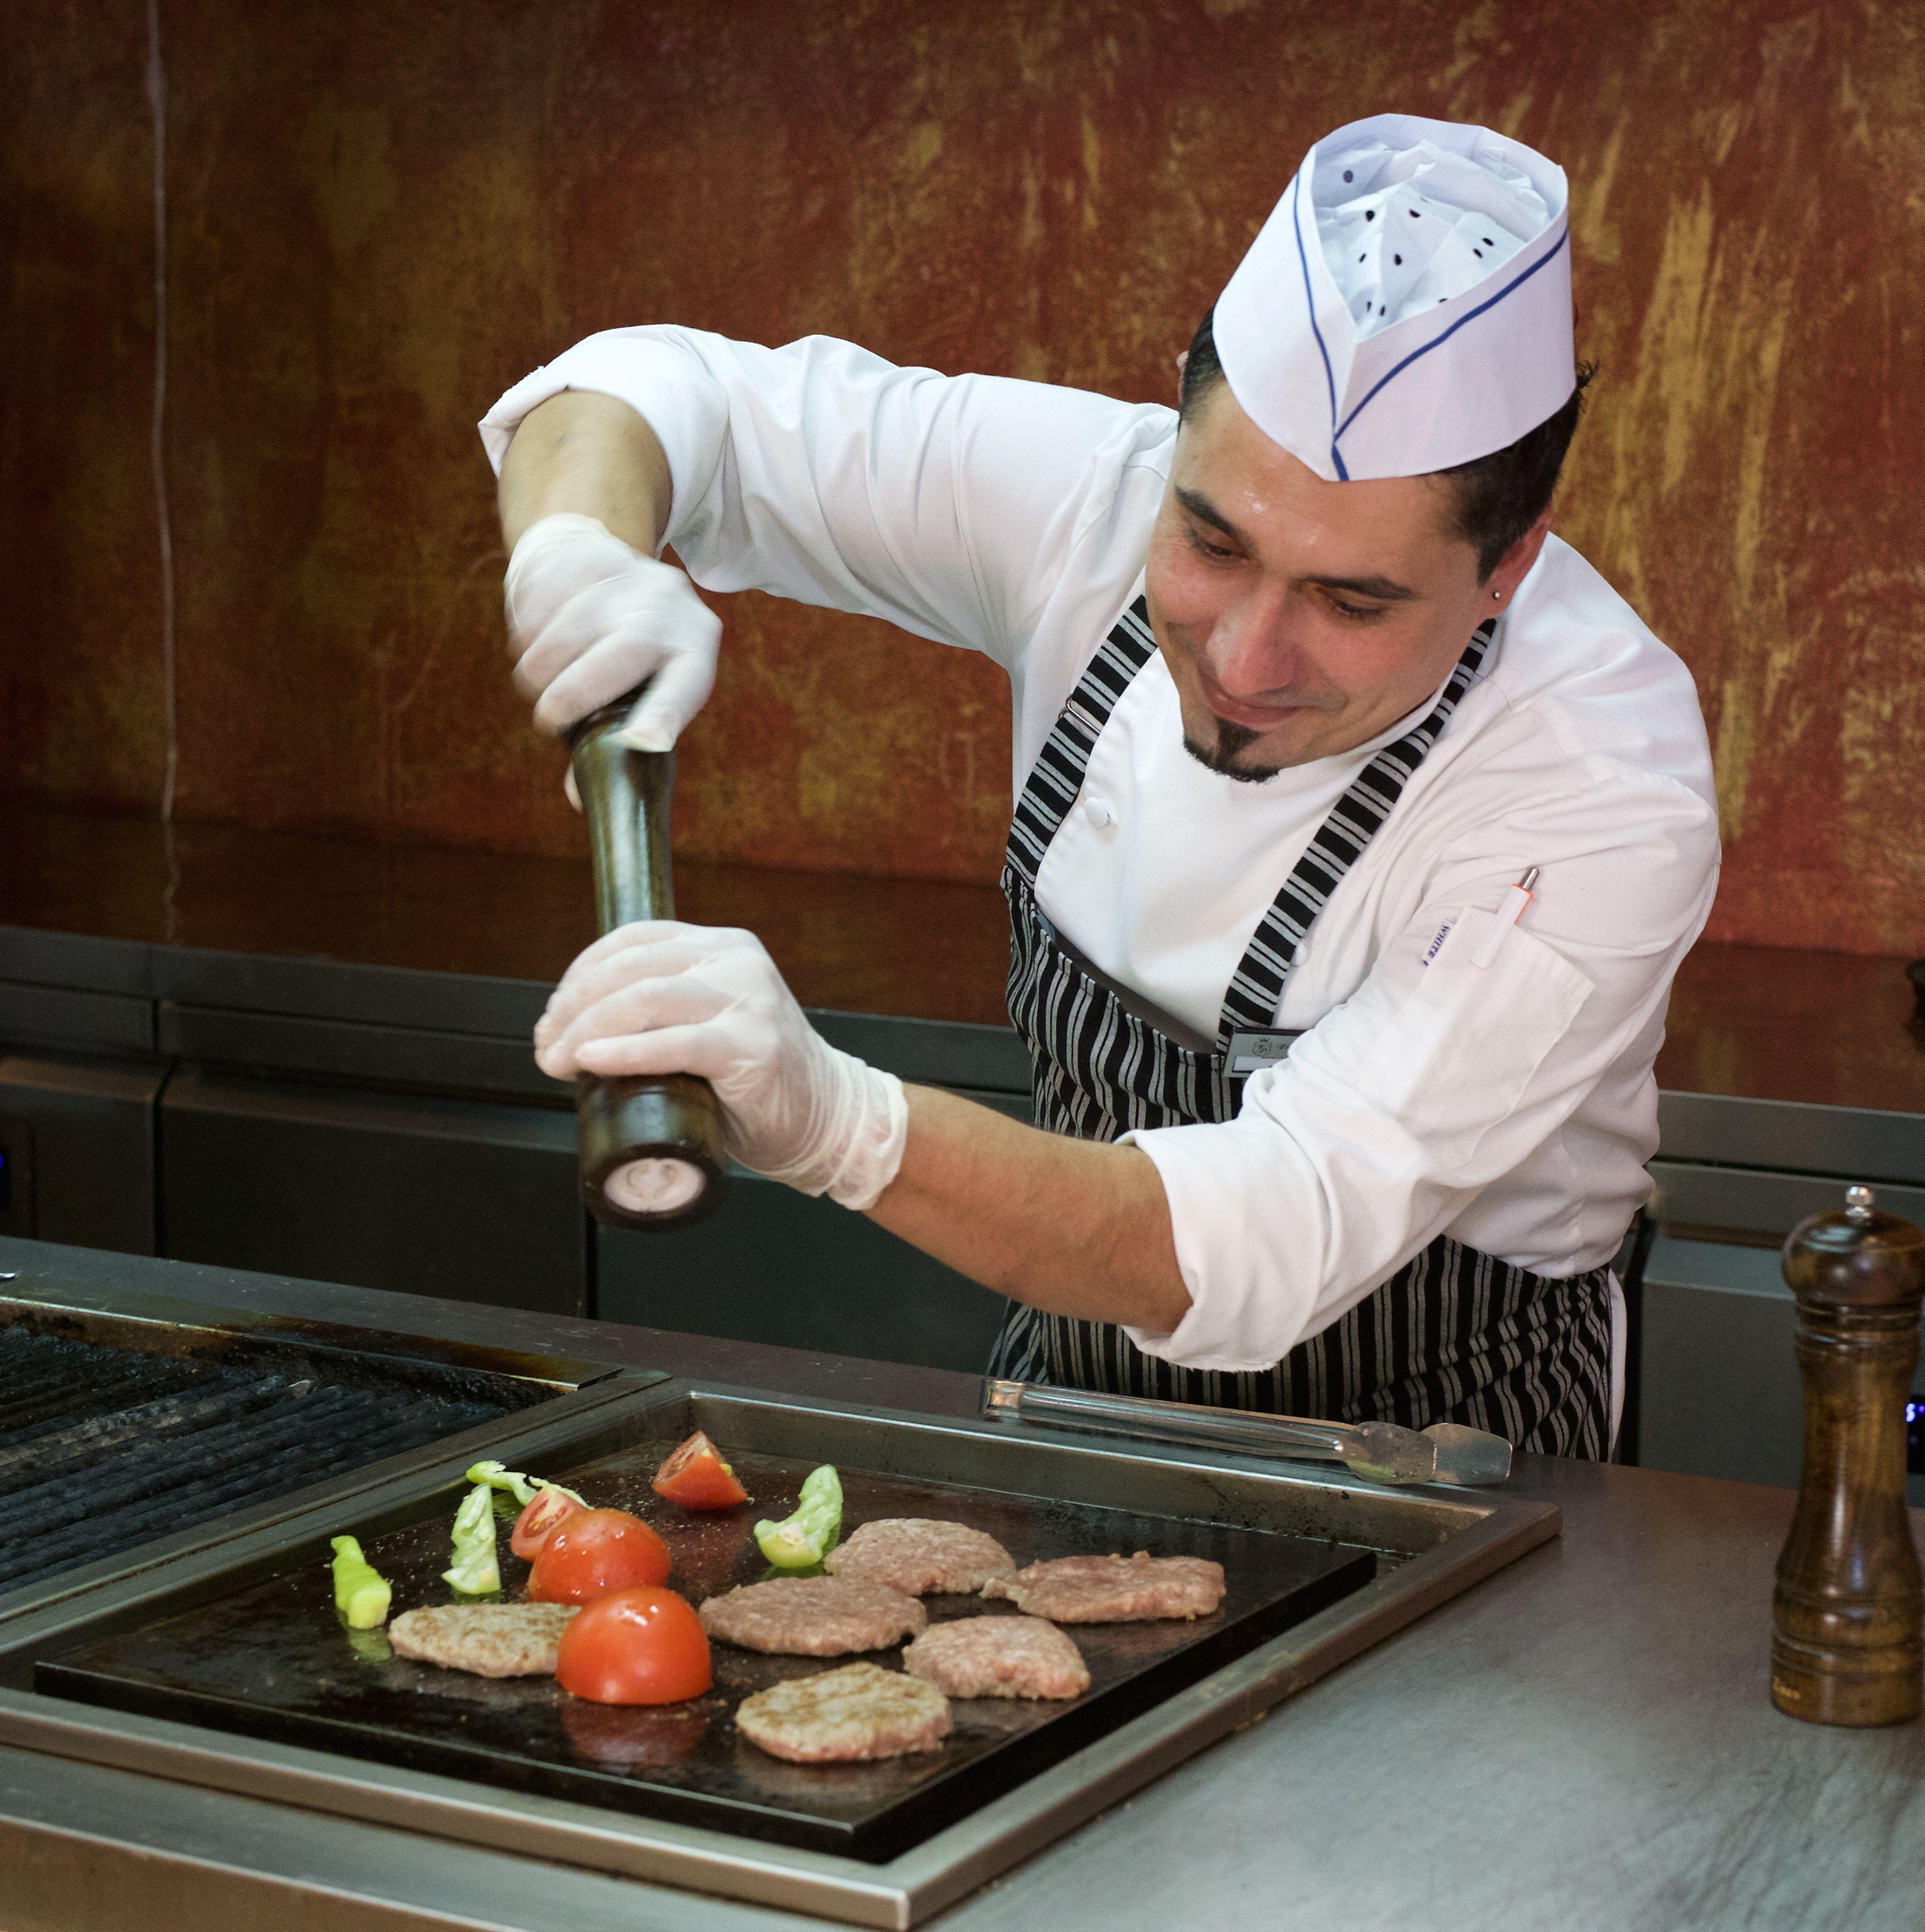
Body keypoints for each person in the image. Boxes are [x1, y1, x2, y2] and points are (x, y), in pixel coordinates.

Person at [482, 114, 1717, 1456]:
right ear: (1173, 447)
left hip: (1461, 1467)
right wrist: (576, 550)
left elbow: (1263, 1234)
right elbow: (651, 394)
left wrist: (841, 1122)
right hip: (1075, 1407)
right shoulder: (1087, 498)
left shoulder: (1599, 777)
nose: (1245, 655)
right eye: (1208, 538)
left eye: (1350, 599)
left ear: (1509, 566)